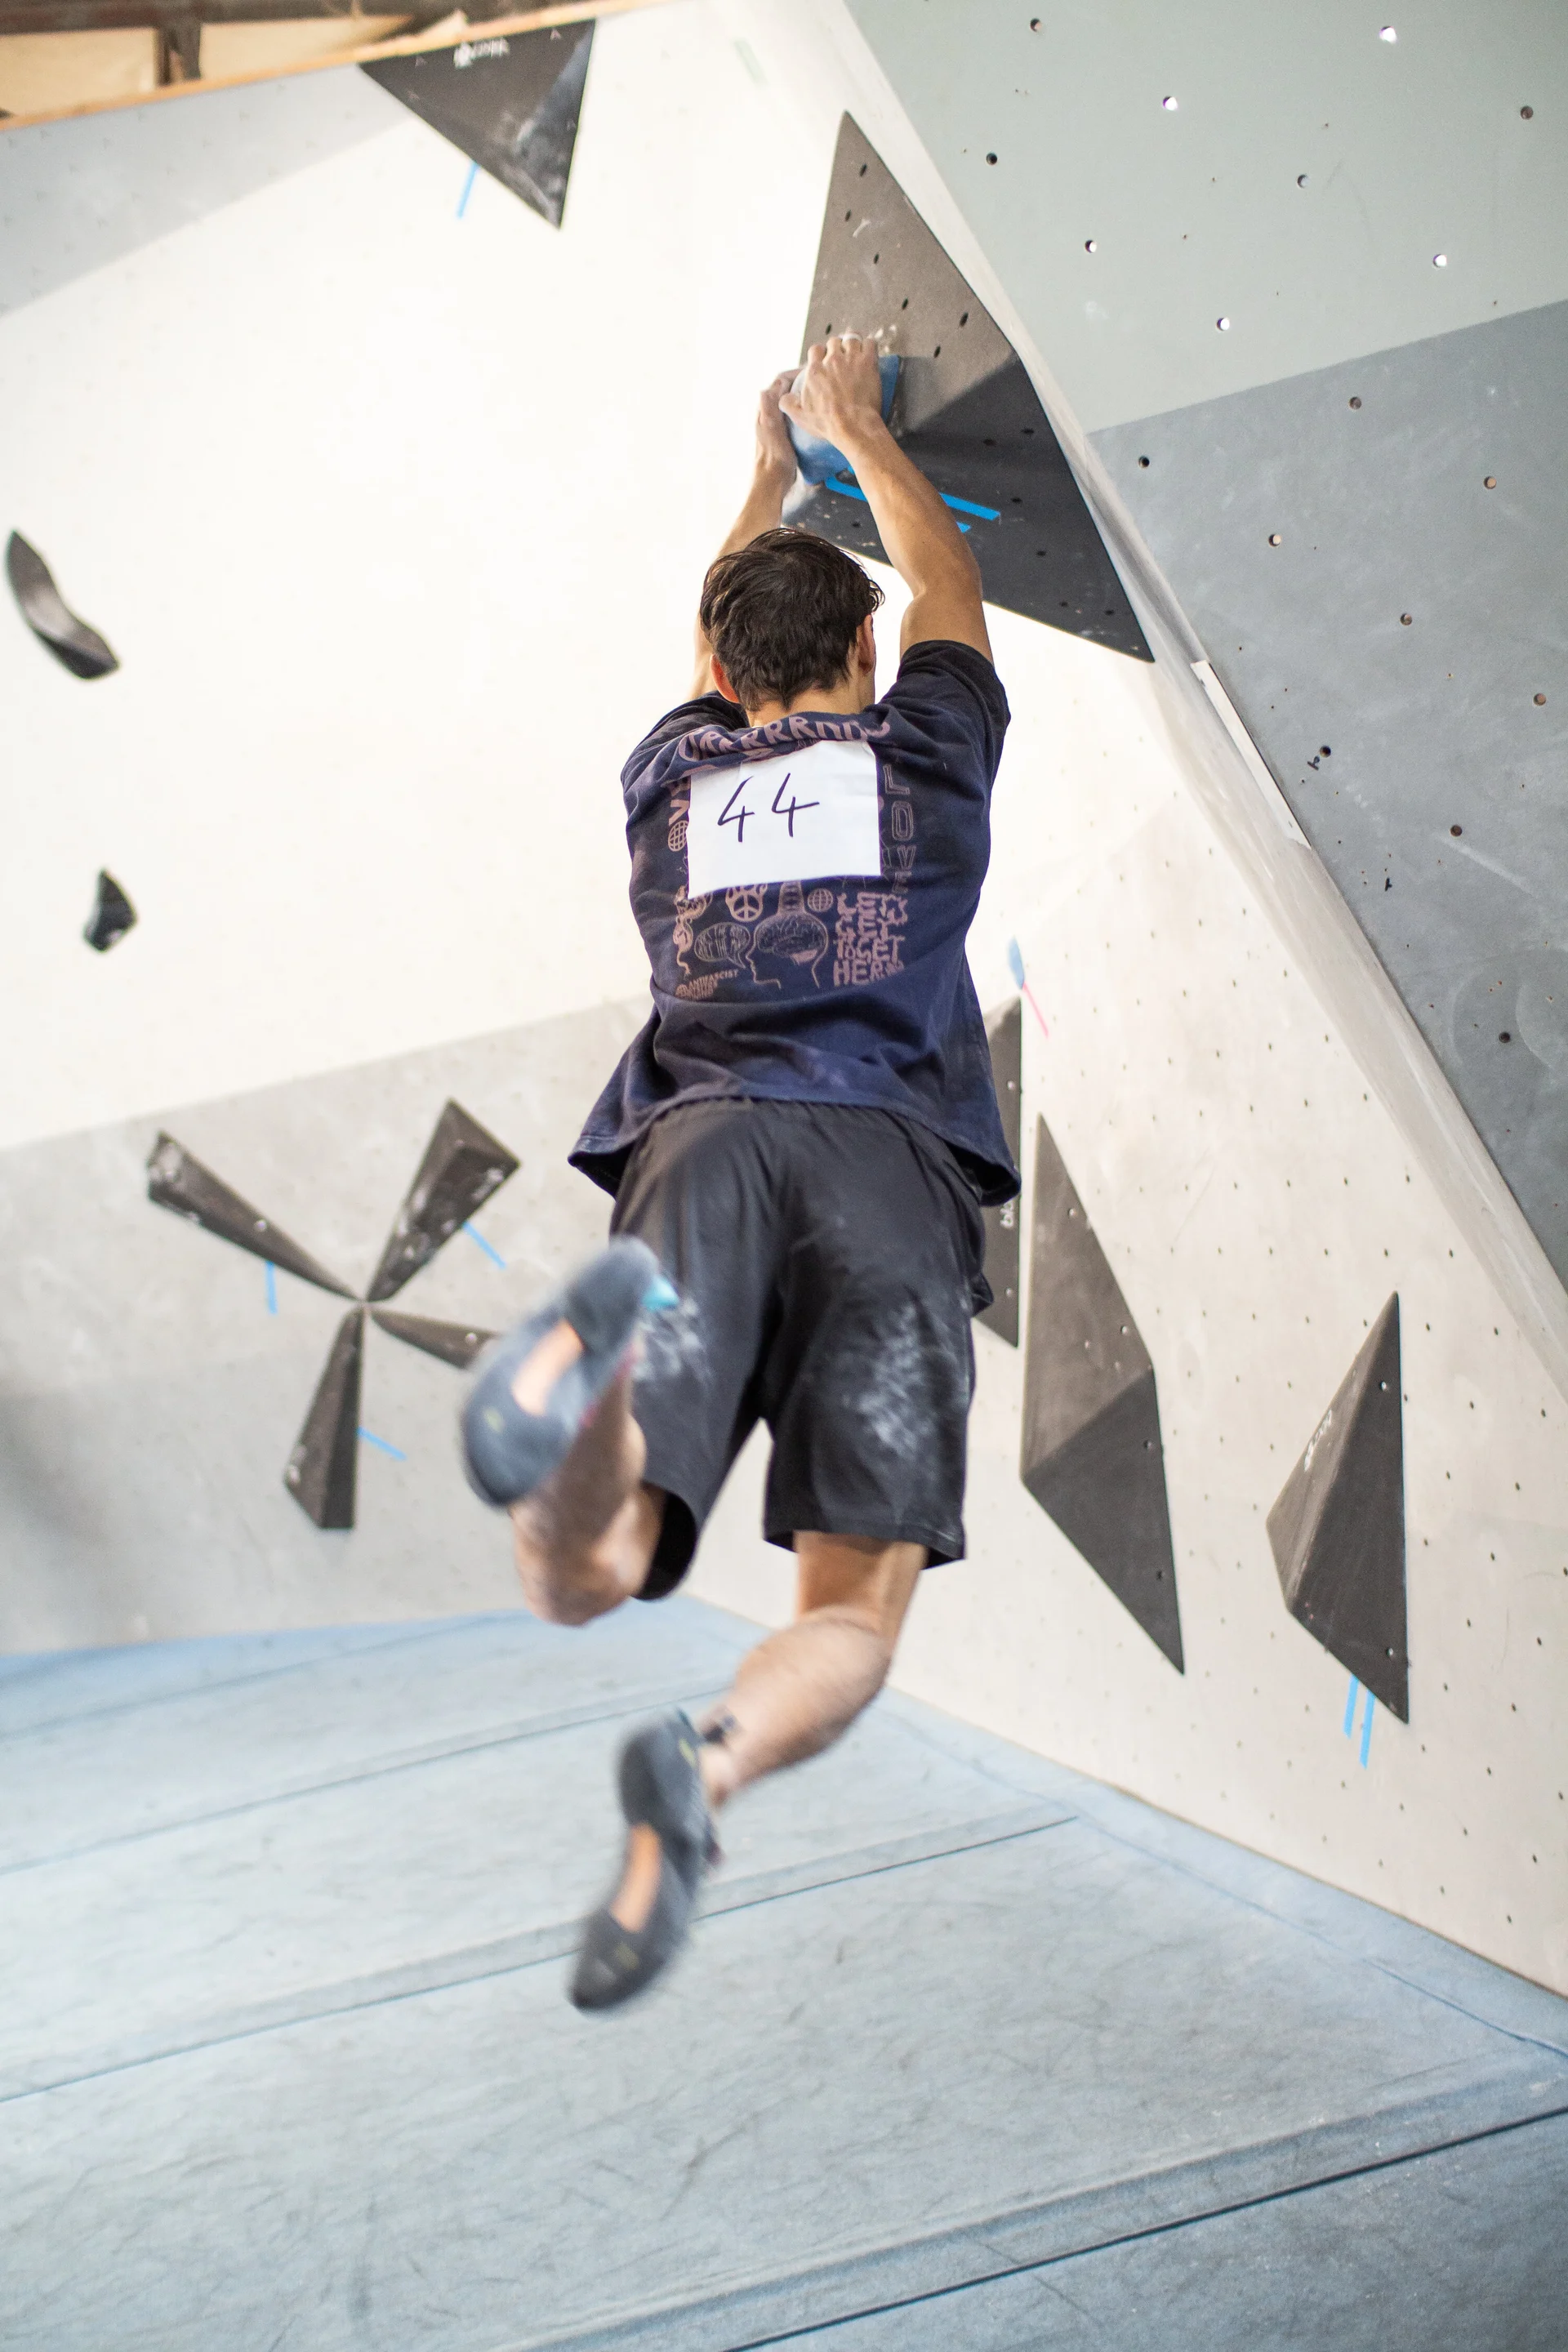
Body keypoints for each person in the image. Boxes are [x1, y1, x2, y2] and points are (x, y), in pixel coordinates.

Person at [461, 334, 1018, 2010]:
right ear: (865, 652)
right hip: (892, 1171)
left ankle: (584, 1418)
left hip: (700, 1148)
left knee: (594, 1572)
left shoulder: (672, 782)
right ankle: (700, 1771)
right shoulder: (925, 761)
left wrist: (772, 476)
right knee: (850, 1613)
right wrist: (862, 438)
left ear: (717, 674)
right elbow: (949, 582)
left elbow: (737, 624)